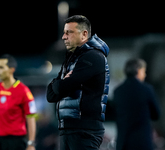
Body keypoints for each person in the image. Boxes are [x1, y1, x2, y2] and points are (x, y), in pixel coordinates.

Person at [46, 15, 110, 150]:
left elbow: (62, 87)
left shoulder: (93, 56)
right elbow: (51, 96)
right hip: (68, 130)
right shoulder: (72, 59)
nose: (64, 37)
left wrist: (61, 83)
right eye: (64, 32)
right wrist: (62, 83)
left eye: (69, 32)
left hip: (84, 130)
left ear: (84, 34)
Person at [0, 54, 37, 150]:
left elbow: (31, 117)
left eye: (1, 67)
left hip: (16, 141)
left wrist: (31, 143)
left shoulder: (23, 90)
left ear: (11, 69)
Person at [113, 58, 160, 150]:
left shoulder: (118, 91)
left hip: (124, 143)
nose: (145, 75)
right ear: (138, 71)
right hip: (142, 142)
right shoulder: (147, 90)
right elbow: (156, 114)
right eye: (144, 71)